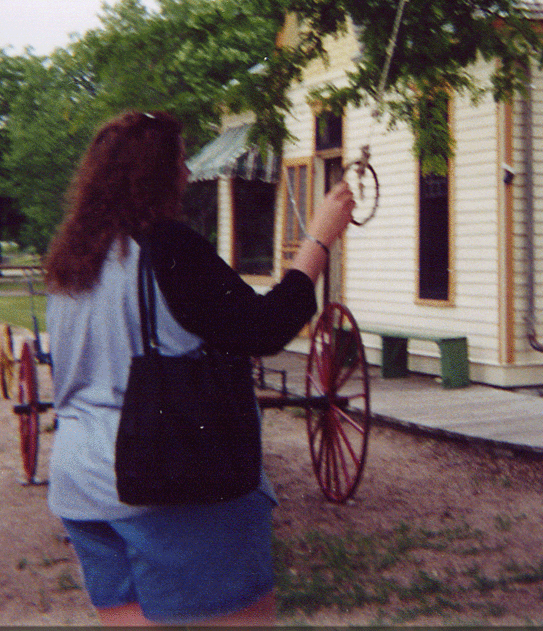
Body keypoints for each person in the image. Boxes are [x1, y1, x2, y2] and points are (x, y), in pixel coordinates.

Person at [42, 110, 354, 626]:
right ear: (157, 176)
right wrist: (318, 240)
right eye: (180, 163)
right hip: (162, 476)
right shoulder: (169, 249)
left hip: (80, 483)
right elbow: (264, 329)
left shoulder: (72, 259)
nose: (188, 174)